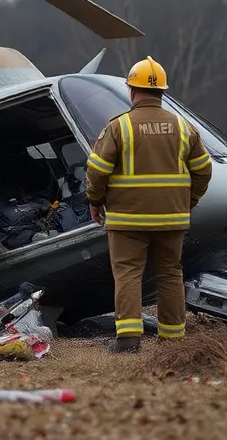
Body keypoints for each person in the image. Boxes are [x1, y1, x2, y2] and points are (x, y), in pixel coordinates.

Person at [84, 56, 213, 353]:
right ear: (162, 93)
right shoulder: (184, 128)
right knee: (170, 273)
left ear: (132, 90)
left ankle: (129, 339)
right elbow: (204, 170)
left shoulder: (119, 127)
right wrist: (190, 200)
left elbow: (98, 170)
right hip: (171, 218)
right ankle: (173, 339)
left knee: (128, 272)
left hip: (127, 220)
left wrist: (95, 201)